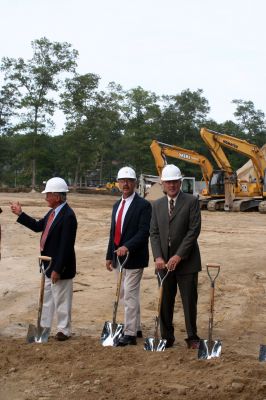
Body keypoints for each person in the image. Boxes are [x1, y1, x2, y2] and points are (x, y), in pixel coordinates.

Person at [10, 177, 77, 341]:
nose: (45, 198)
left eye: (48, 195)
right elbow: (37, 226)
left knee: (61, 299)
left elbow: (66, 247)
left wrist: (57, 269)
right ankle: (44, 328)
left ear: (57, 197)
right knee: (47, 298)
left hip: (60, 267)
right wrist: (20, 214)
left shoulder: (68, 216)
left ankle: (63, 330)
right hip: (47, 265)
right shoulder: (53, 212)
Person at [150, 164, 201, 349]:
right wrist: (158, 257)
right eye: (168, 182)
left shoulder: (191, 201)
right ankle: (167, 336)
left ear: (180, 182)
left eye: (174, 182)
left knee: (189, 301)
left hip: (187, 262)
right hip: (163, 263)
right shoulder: (157, 205)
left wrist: (179, 255)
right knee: (165, 300)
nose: (171, 185)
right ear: (162, 183)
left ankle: (192, 336)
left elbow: (193, 231)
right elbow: (154, 233)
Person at [106, 166, 152, 346]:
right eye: (122, 181)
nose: (125, 184)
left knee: (129, 295)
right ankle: (137, 327)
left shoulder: (144, 205)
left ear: (135, 183)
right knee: (126, 293)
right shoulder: (117, 205)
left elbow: (143, 232)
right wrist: (109, 255)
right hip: (118, 257)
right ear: (118, 183)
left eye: (129, 181)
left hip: (135, 257)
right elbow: (113, 232)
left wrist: (127, 246)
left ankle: (130, 333)